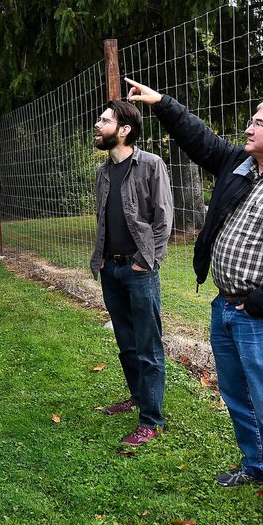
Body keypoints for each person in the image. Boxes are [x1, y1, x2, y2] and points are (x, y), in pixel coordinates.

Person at [126, 79, 263, 525]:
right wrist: (162, 103)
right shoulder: (239, 165)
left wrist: (258, 305)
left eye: (260, 122)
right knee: (236, 394)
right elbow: (199, 138)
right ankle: (255, 465)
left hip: (256, 314)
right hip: (224, 306)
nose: (250, 126)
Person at [89, 99, 173, 450]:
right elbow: (104, 221)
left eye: (105, 121)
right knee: (126, 343)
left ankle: (151, 420)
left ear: (124, 130)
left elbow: (163, 219)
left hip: (139, 271)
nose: (97, 124)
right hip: (111, 269)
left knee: (148, 346)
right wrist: (103, 261)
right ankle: (138, 396)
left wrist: (143, 262)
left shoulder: (151, 164)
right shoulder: (103, 173)